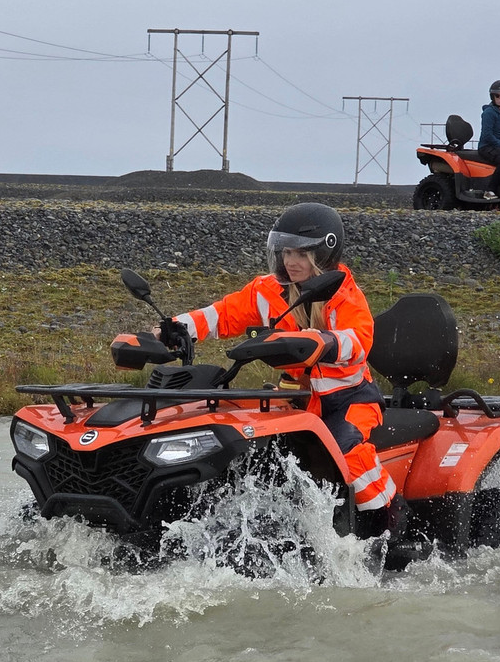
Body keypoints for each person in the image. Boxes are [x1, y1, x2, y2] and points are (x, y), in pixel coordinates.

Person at [159, 202, 402, 537]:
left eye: (301, 254)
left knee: (347, 448)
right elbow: (222, 314)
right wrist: (173, 329)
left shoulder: (344, 295)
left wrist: (322, 343)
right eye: (286, 252)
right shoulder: (268, 290)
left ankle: (386, 526)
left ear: (323, 255)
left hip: (349, 400)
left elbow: (358, 339)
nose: (291, 261)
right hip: (297, 399)